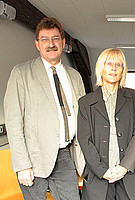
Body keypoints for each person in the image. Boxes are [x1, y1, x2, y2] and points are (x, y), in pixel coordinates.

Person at [4, 17, 85, 199]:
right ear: (37, 44)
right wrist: (22, 165)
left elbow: (82, 116)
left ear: (63, 42)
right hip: (34, 158)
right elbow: (13, 121)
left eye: (55, 38)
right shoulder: (21, 73)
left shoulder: (75, 76)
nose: (51, 44)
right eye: (44, 39)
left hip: (65, 156)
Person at [77, 48, 135, 200]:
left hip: (129, 177)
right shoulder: (85, 102)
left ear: (123, 70)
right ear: (100, 68)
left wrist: (124, 167)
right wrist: (102, 171)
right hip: (98, 178)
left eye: (119, 64)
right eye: (109, 63)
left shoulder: (133, 97)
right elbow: (84, 140)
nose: (114, 68)